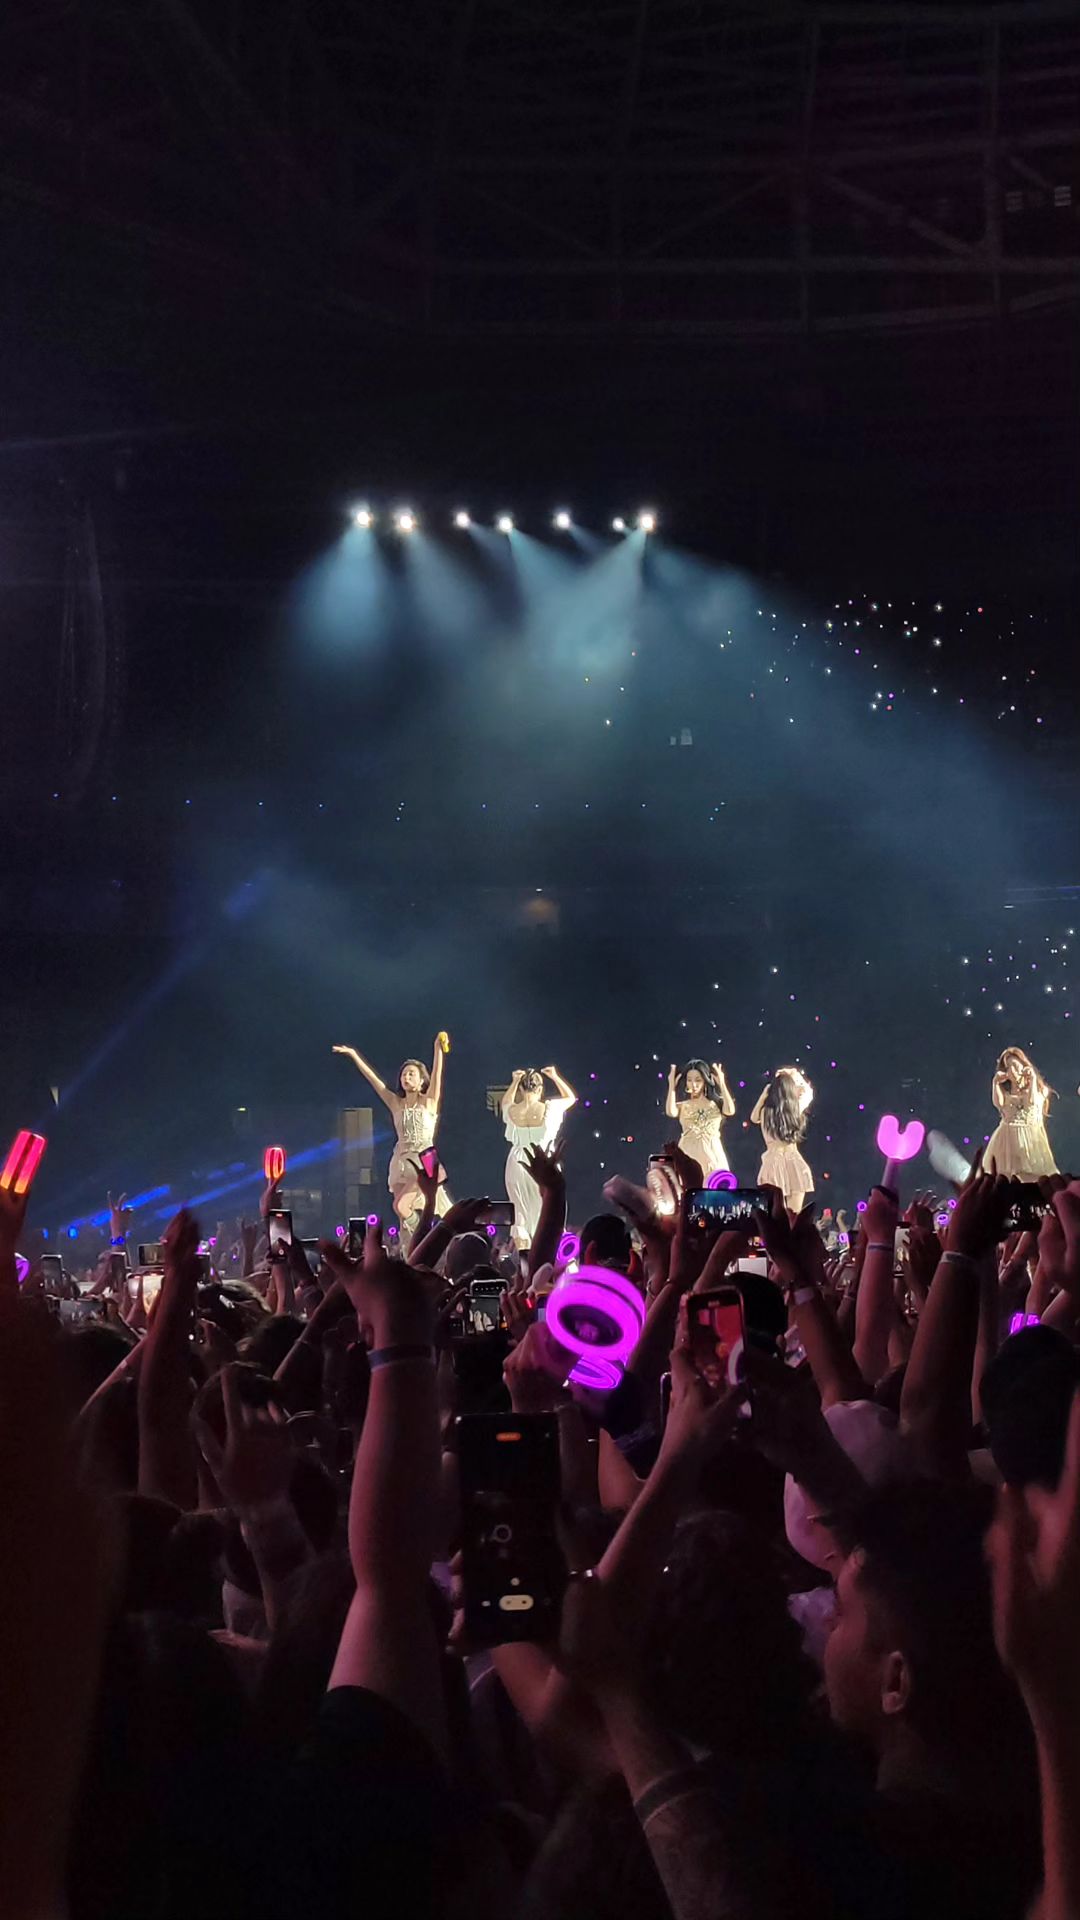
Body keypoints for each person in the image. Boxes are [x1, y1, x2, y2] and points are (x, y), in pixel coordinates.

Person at [333, 1032, 451, 1236]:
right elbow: (373, 1080)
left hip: (425, 1159)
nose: (406, 1077)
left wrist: (438, 1048)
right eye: (404, 1074)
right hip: (401, 1160)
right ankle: (410, 1250)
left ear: (422, 1080)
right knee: (403, 1220)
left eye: (411, 1074)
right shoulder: (396, 1103)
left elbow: (437, 1073)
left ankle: (428, 1236)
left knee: (402, 1206)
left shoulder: (429, 1101)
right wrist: (354, 1055)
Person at [500, 1066, 577, 1249]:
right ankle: (547, 1256)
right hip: (542, 1161)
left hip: (517, 1162)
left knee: (520, 1214)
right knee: (547, 1209)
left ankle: (525, 1260)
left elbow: (505, 1102)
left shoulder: (512, 1110)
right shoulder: (549, 1108)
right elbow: (571, 1098)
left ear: (521, 1089)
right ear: (540, 1089)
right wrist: (555, 1076)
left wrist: (514, 1081)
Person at [985, 1046, 1057, 1178]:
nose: (1012, 1070)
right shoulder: (1006, 1093)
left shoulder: (1040, 1089)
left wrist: (1032, 1079)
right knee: (1005, 1179)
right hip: (1007, 1143)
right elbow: (998, 1103)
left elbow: (1032, 1101)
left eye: (1015, 1065)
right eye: (1008, 1067)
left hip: (1031, 1142)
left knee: (1033, 1178)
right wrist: (995, 1083)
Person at [751, 1066, 814, 1215]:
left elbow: (753, 1118)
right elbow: (808, 1093)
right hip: (794, 1162)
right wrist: (794, 1074)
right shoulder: (795, 1110)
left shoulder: (765, 1112)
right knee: (793, 1215)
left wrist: (764, 1095)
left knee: (775, 1215)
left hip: (773, 1164)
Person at [664, 1059, 736, 1180]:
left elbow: (730, 1110)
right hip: (688, 1153)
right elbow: (671, 1112)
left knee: (715, 1187)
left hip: (712, 1154)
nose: (694, 1084)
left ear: (705, 1081)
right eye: (689, 1080)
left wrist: (722, 1083)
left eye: (698, 1080)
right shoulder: (684, 1106)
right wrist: (672, 1085)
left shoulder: (715, 1104)